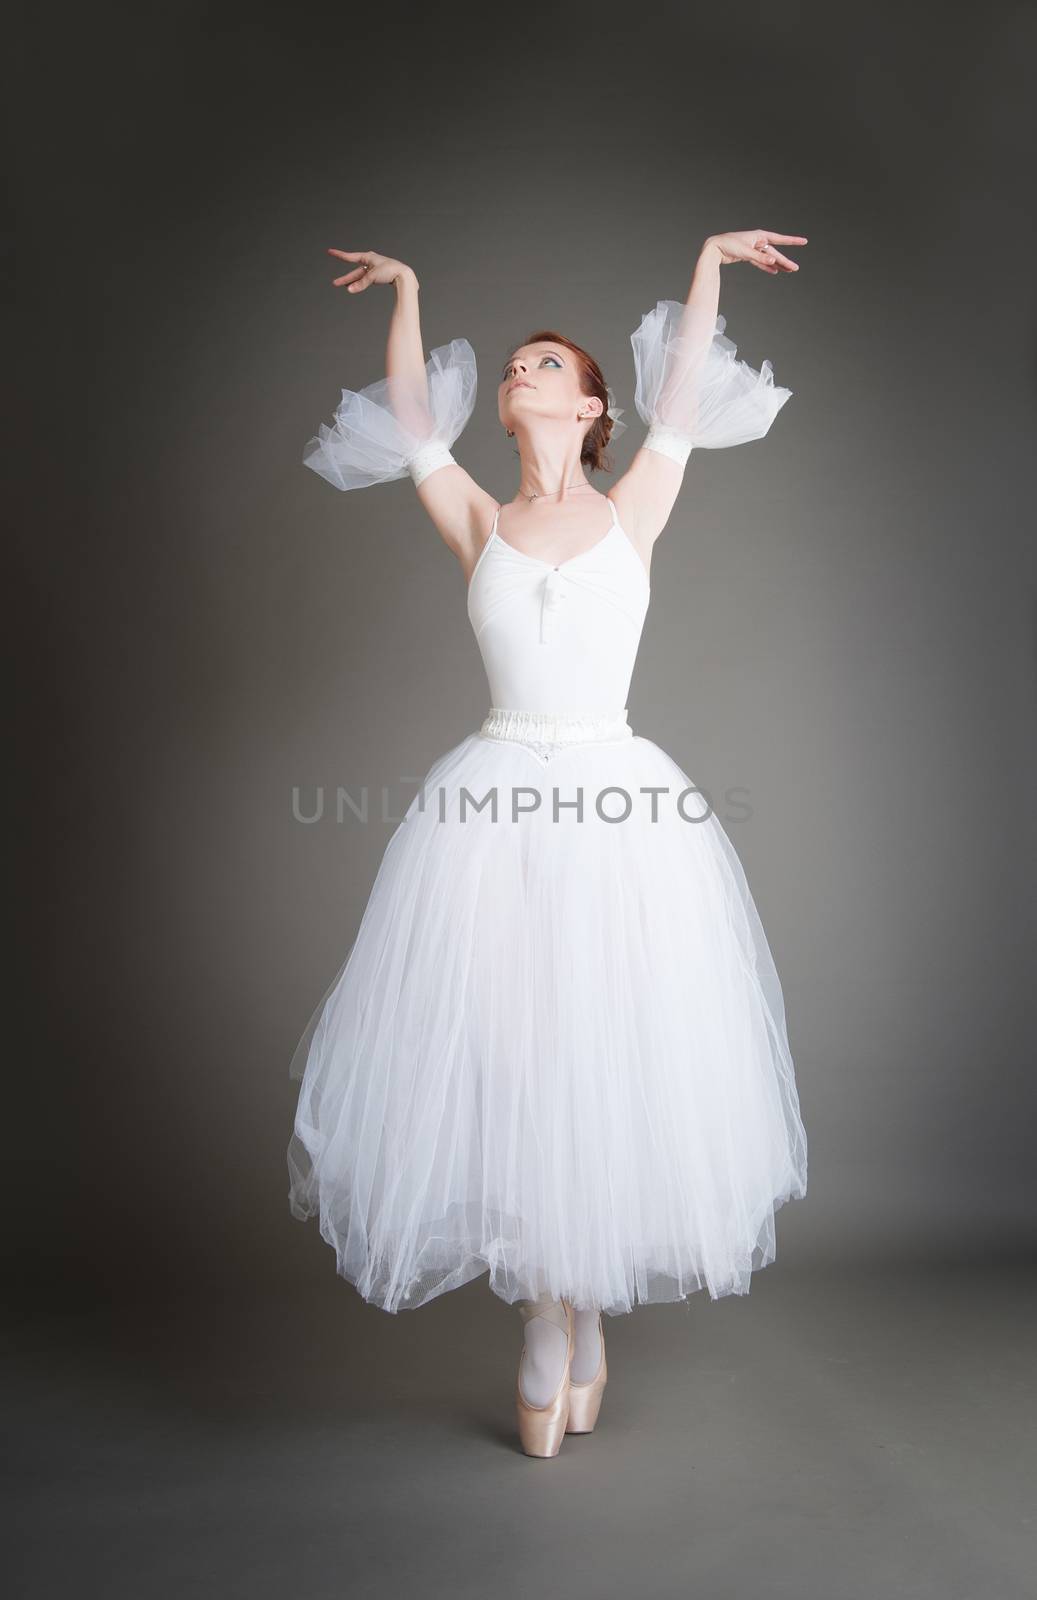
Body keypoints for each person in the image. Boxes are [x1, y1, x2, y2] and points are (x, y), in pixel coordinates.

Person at [288, 230, 810, 1457]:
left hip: (618, 811)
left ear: (584, 404)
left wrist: (706, 267)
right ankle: (545, 1310)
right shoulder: (474, 516)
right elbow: (413, 418)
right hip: (487, 816)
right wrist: (413, 289)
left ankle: (575, 1302)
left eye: (539, 363)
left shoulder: (636, 507)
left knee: (602, 1054)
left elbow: (682, 389)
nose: (516, 371)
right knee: (515, 1062)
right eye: (510, 364)